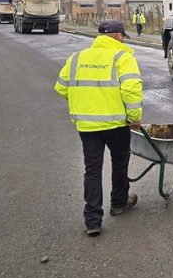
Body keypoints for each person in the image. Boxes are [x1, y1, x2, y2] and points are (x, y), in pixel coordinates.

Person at [54, 19, 142, 236]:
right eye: (123, 37)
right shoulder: (123, 57)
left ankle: (92, 221)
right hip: (116, 124)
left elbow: (61, 88)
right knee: (119, 162)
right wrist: (134, 118)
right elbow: (131, 90)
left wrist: (85, 102)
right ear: (118, 36)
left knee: (92, 169)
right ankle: (119, 203)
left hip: (87, 126)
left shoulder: (77, 57)